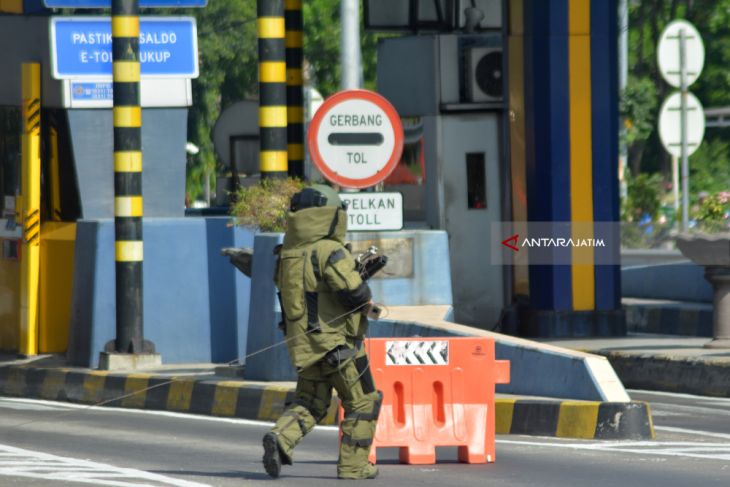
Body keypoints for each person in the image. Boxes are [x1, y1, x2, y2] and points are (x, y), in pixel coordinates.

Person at [262, 184, 381, 480]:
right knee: (364, 401)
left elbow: (310, 291)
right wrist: (362, 277)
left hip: (304, 345)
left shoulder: (287, 253)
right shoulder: (330, 250)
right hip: (338, 344)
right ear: (331, 216)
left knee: (311, 402)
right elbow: (353, 294)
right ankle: (354, 467)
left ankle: (280, 438)